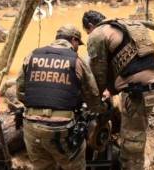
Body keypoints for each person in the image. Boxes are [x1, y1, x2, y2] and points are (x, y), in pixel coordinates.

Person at [16, 24, 108, 170]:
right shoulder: (77, 60)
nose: (78, 47)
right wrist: (102, 109)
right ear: (73, 40)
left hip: (31, 127)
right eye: (78, 43)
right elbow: (93, 97)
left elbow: (20, 92)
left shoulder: (32, 55)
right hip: (60, 129)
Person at [82, 10, 154, 169]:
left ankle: (131, 166)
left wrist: (95, 101)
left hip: (138, 92)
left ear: (90, 26)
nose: (89, 35)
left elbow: (98, 74)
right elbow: (127, 64)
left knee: (132, 141)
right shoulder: (121, 26)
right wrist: (111, 90)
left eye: (87, 32)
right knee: (136, 133)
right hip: (153, 85)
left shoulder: (97, 34)